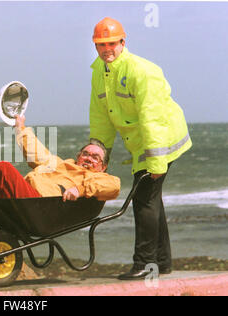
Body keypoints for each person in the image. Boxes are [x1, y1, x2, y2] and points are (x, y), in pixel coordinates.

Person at [88, 17, 192, 280]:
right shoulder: (99, 73)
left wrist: (156, 163)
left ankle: (146, 264)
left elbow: (152, 119)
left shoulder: (142, 71)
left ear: (123, 42)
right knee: (151, 199)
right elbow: (101, 117)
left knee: (144, 200)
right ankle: (163, 262)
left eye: (112, 43)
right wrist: (101, 153)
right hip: (142, 140)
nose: (106, 49)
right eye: (101, 44)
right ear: (95, 45)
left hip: (160, 138)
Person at [0, 114, 120, 203]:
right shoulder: (61, 164)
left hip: (41, 205)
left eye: (95, 157)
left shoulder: (100, 178)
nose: (89, 158)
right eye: (86, 153)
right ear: (78, 156)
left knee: (3, 170)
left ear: (103, 166)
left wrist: (80, 189)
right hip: (28, 200)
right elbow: (36, 151)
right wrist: (20, 127)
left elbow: (114, 187)